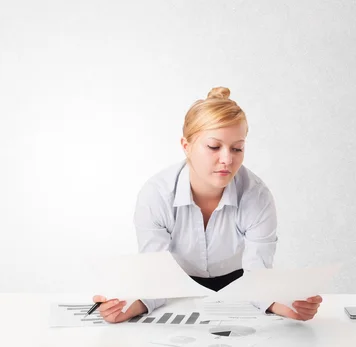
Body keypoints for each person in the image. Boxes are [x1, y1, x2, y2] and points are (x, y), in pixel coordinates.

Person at [93, 87, 322, 323]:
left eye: (237, 148)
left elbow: (258, 275)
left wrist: (286, 306)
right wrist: (125, 307)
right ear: (186, 146)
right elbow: (157, 276)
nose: (227, 159)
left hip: (238, 288)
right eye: (214, 146)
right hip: (175, 289)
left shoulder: (256, 196)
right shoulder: (157, 194)